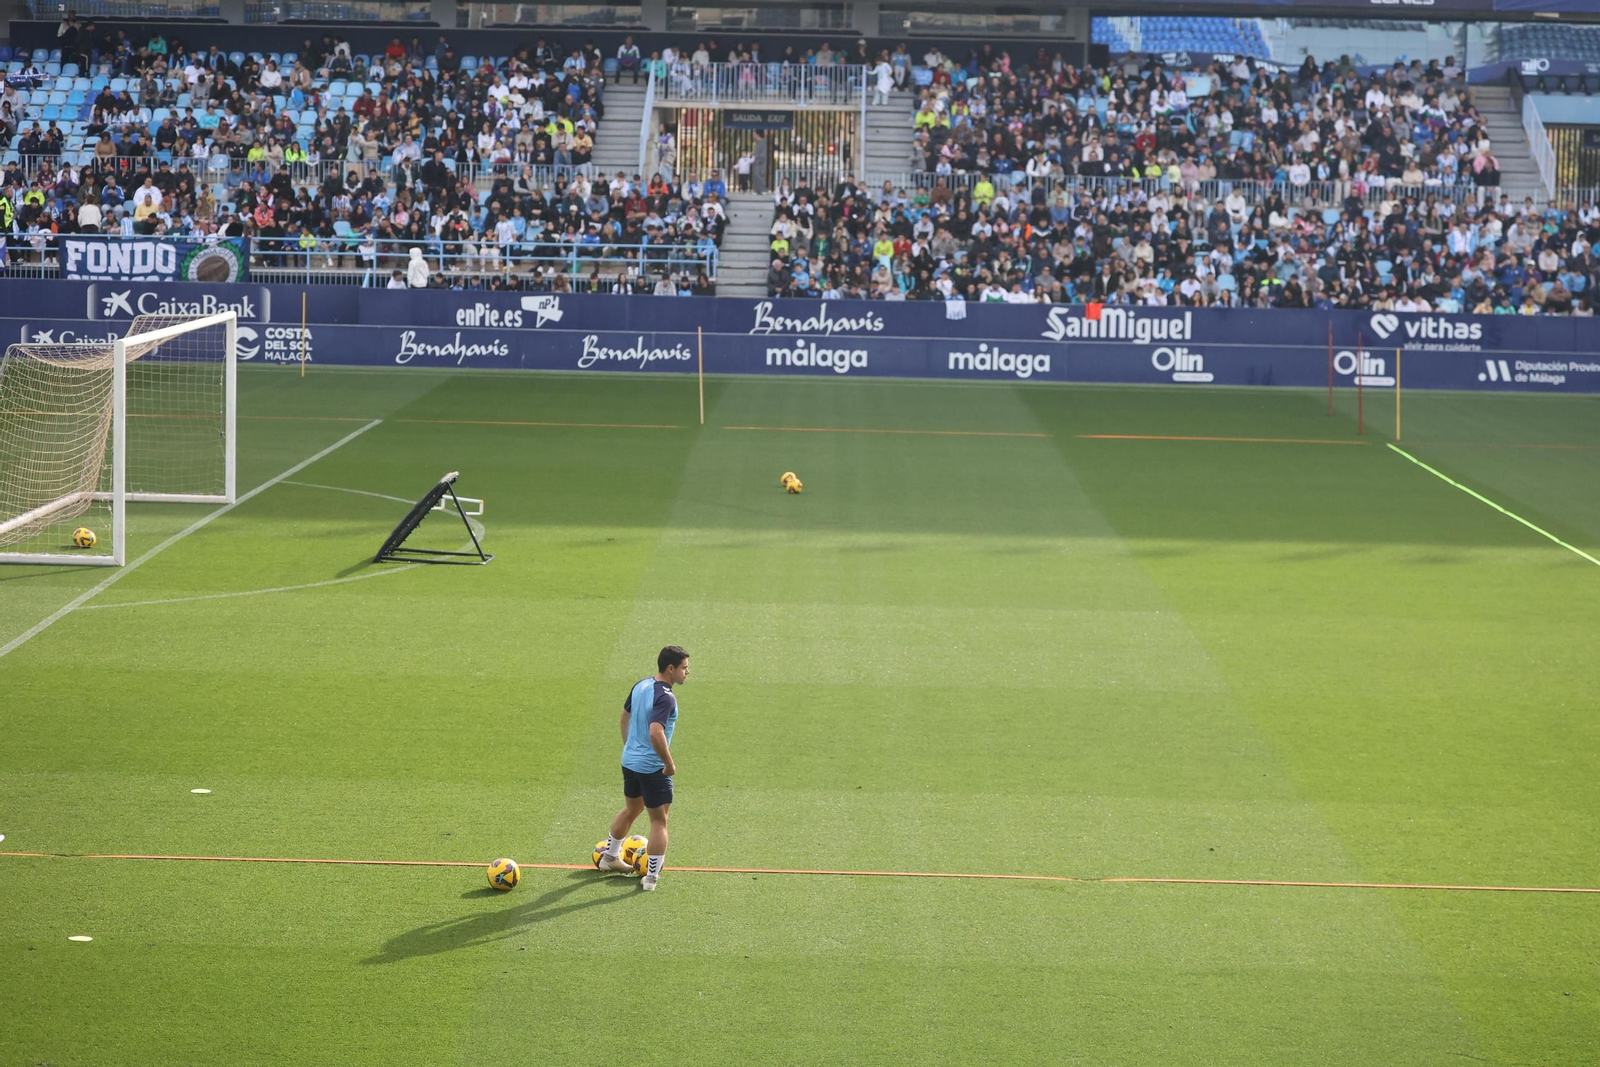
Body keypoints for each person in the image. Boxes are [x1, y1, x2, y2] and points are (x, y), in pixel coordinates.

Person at [595, 645, 690, 891]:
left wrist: (630, 748)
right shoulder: (666, 696)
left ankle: (609, 858)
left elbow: (624, 716)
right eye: (684, 668)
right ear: (671, 669)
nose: (687, 672)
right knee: (659, 821)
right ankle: (651, 878)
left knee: (631, 809)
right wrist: (668, 764)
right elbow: (656, 732)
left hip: (630, 762)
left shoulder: (641, 685)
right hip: (652, 768)